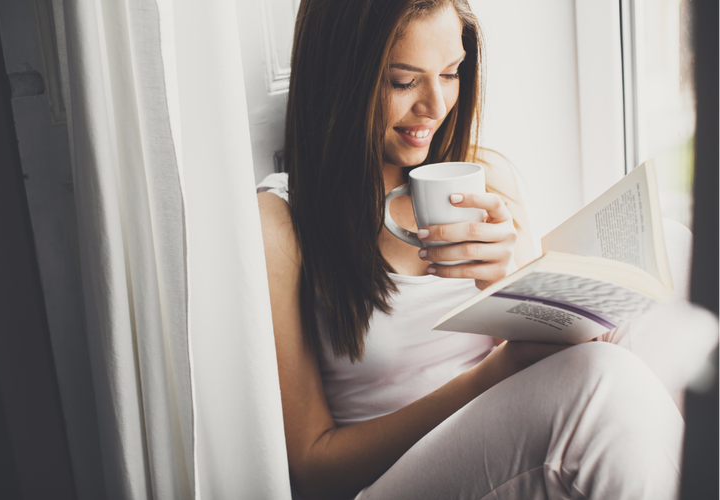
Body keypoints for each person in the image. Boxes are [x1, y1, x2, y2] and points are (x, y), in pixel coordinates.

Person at [257, 1, 692, 499]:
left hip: (517, 448)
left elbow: (553, 359)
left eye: (450, 73)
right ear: (342, 77)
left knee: (675, 256)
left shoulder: (487, 177)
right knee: (601, 383)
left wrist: (515, 282)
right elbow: (312, 465)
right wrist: (497, 371)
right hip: (389, 481)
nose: (435, 106)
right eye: (403, 81)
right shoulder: (283, 223)